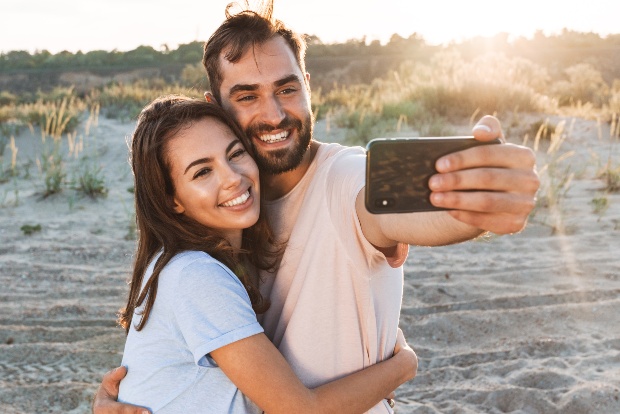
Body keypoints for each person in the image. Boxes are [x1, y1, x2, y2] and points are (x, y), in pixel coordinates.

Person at [93, 1, 539, 413]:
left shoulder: (343, 177)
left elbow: (390, 206)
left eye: (286, 89)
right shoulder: (226, 222)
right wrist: (124, 394)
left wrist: (472, 206)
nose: (273, 114)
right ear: (218, 109)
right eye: (247, 96)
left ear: (307, 88)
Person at [115, 94, 417, 413]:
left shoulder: (184, 263)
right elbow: (301, 410)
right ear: (171, 199)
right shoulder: (195, 275)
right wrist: (402, 366)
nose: (232, 177)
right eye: (202, 172)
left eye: (236, 154)